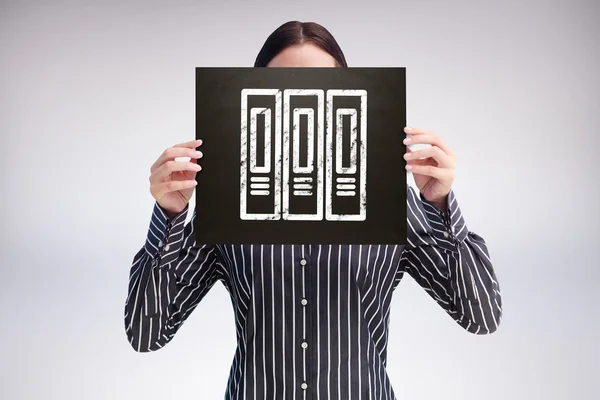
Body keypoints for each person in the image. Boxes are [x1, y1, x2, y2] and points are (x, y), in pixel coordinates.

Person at [124, 20, 502, 400]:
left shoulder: (391, 202)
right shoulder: (230, 202)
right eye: (281, 86)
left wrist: (439, 205)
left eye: (323, 86)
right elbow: (146, 333)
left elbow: (481, 316)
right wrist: (169, 218)